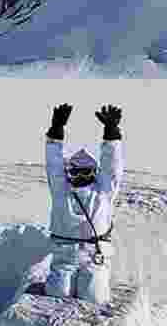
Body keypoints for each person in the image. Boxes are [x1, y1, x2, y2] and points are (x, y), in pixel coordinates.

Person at [42, 104, 125, 304]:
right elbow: (54, 164)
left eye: (86, 171)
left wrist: (111, 132)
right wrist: (56, 129)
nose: (81, 176)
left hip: (93, 256)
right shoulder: (61, 190)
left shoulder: (103, 191)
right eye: (76, 172)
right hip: (65, 256)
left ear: (94, 172)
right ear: (69, 173)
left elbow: (112, 167)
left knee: (94, 297)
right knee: (57, 294)